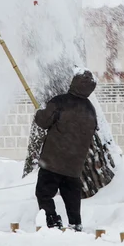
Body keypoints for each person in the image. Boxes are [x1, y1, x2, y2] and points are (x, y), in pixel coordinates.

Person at [34, 69, 97, 231]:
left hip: (53, 161)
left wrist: (39, 114)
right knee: (72, 198)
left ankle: (52, 222)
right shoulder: (91, 110)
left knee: (44, 193)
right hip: (74, 165)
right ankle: (75, 224)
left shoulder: (60, 101)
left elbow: (43, 121)